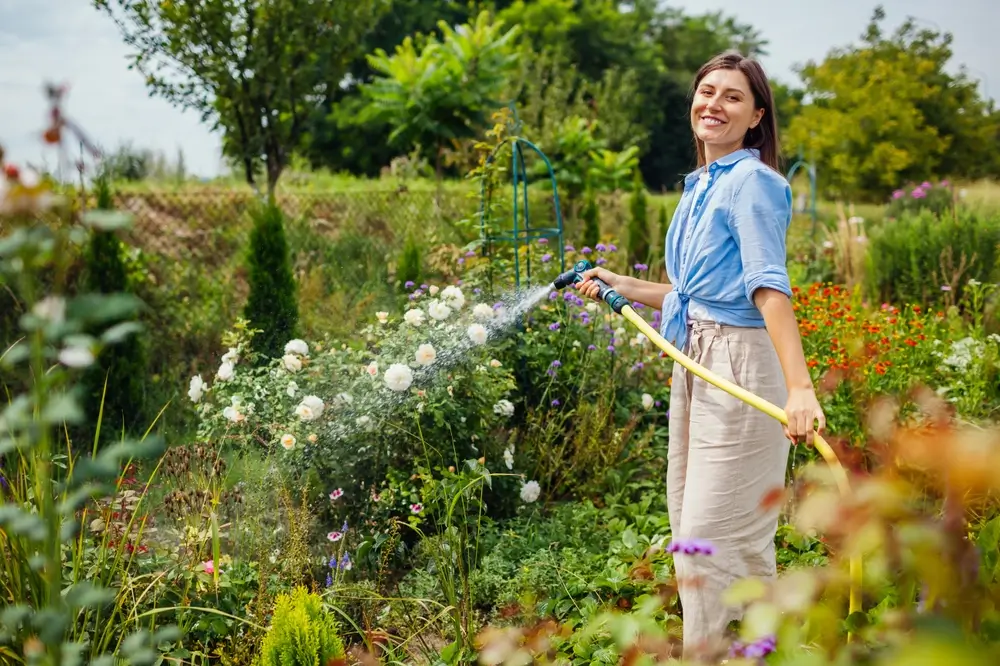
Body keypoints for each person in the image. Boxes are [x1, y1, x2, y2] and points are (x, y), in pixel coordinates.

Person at [574, 51, 826, 658]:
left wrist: (800, 388)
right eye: (706, 91)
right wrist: (626, 286)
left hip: (741, 365)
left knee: (710, 538)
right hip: (697, 362)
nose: (713, 103)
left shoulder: (753, 182)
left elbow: (768, 288)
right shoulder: (703, 184)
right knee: (697, 530)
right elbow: (701, 295)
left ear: (756, 117)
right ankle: (767, 646)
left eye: (733, 96)